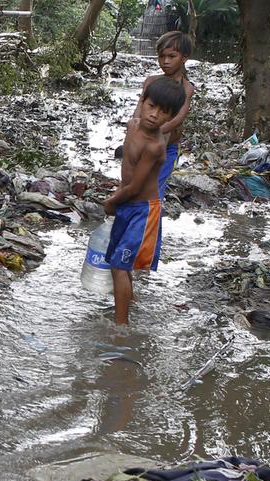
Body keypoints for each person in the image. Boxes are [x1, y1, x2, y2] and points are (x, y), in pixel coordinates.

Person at [102, 77, 185, 325]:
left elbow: (136, 185)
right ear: (143, 102)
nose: (154, 115)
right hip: (128, 203)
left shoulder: (156, 146)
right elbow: (126, 168)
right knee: (119, 260)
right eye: (151, 106)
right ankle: (129, 300)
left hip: (143, 210)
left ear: (171, 117)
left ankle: (121, 326)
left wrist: (112, 201)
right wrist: (118, 198)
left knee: (119, 265)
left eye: (163, 112)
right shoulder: (132, 125)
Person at [133, 31, 195, 201]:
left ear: (184, 57)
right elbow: (139, 109)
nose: (165, 61)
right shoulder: (151, 82)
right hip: (143, 146)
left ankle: (150, 227)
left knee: (154, 191)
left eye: (171, 56)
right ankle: (142, 226)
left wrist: (155, 131)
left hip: (168, 150)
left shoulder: (186, 88)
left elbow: (178, 119)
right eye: (161, 57)